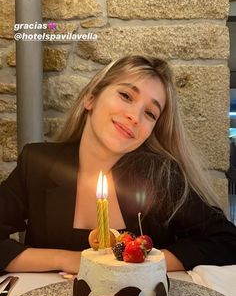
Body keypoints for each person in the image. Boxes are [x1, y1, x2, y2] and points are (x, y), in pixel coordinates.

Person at [0, 55, 236, 275]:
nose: (135, 116)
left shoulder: (160, 176)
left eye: (150, 113)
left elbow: (226, 240)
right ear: (90, 98)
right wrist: (70, 260)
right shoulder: (38, 163)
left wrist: (144, 264)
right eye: (126, 96)